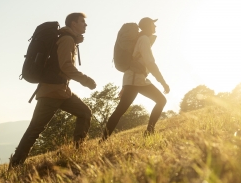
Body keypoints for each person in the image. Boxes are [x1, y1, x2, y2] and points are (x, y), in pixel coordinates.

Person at [9, 13, 97, 168]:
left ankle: (77, 151)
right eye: (82, 21)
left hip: (61, 91)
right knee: (35, 129)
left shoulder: (70, 39)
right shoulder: (67, 39)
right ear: (73, 23)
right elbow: (66, 66)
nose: (86, 25)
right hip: (51, 92)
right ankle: (15, 165)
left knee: (84, 112)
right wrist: (86, 80)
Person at [103, 17, 170, 138]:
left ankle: (149, 131)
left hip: (136, 78)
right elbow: (150, 63)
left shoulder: (142, 39)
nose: (155, 27)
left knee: (121, 110)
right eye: (153, 24)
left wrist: (125, 85)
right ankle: (149, 131)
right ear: (147, 25)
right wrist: (163, 82)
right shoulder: (144, 39)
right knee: (122, 109)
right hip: (136, 79)